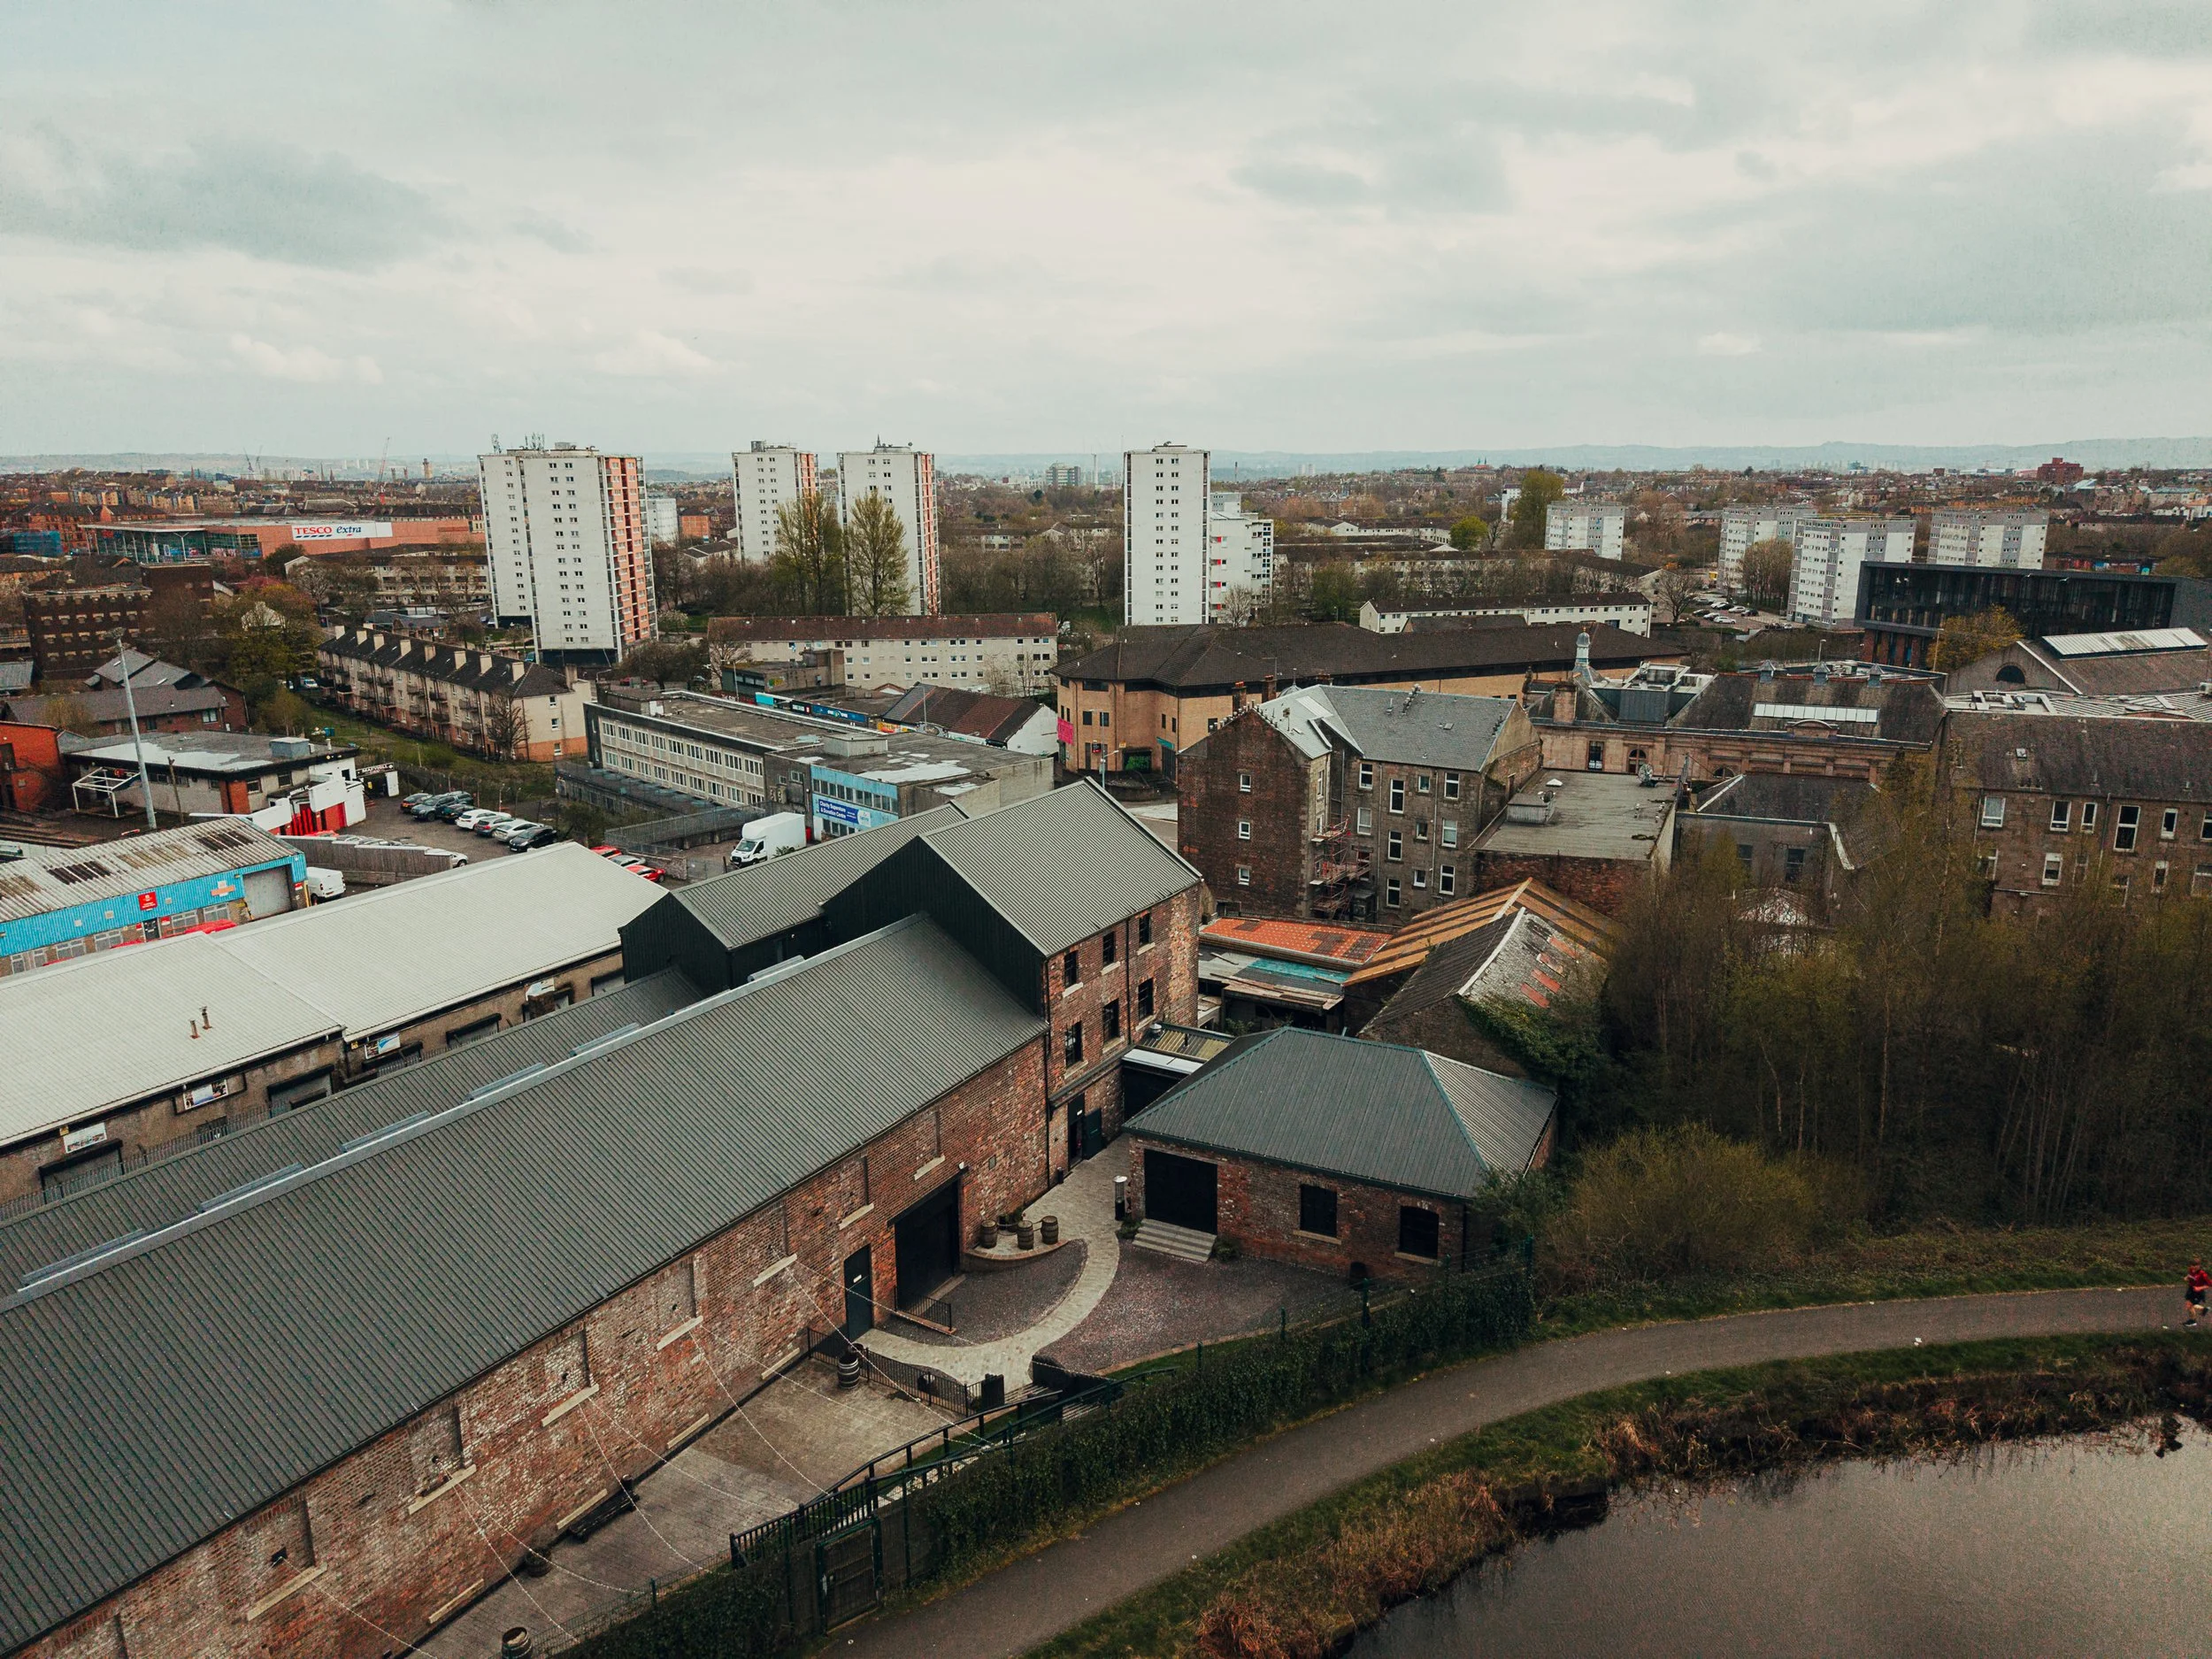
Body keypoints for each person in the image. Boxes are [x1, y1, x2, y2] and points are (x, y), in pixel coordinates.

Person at [2186, 1259, 2210, 1328]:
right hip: (2191, 1290)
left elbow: (2209, 1284)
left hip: (2198, 1292)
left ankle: (2193, 1321)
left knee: (2190, 1306)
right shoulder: (2191, 1270)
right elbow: (2190, 1277)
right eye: (2192, 1265)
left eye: (2196, 1265)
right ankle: (2204, 1309)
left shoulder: (2203, 1274)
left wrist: (2200, 1288)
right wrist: (2187, 1278)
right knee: (2189, 1305)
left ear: (2199, 1266)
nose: (2194, 1267)